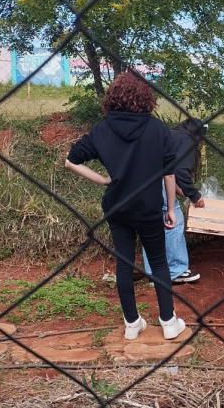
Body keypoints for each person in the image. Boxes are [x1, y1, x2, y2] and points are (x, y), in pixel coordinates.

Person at [65, 72, 186, 340]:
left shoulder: (102, 129)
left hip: (117, 207)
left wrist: (104, 180)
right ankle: (168, 322)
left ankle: (132, 323)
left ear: (112, 98)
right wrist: (169, 209)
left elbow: (71, 161)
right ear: (146, 99)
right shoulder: (157, 129)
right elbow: (169, 173)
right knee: (158, 262)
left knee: (123, 261)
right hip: (148, 207)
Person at [142, 117, 207, 284]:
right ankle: (176, 271)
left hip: (140, 182)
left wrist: (184, 194)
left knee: (152, 224)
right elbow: (178, 171)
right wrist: (195, 195)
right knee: (173, 221)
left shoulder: (171, 135)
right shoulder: (187, 140)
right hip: (157, 182)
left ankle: (154, 272)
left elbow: (170, 174)